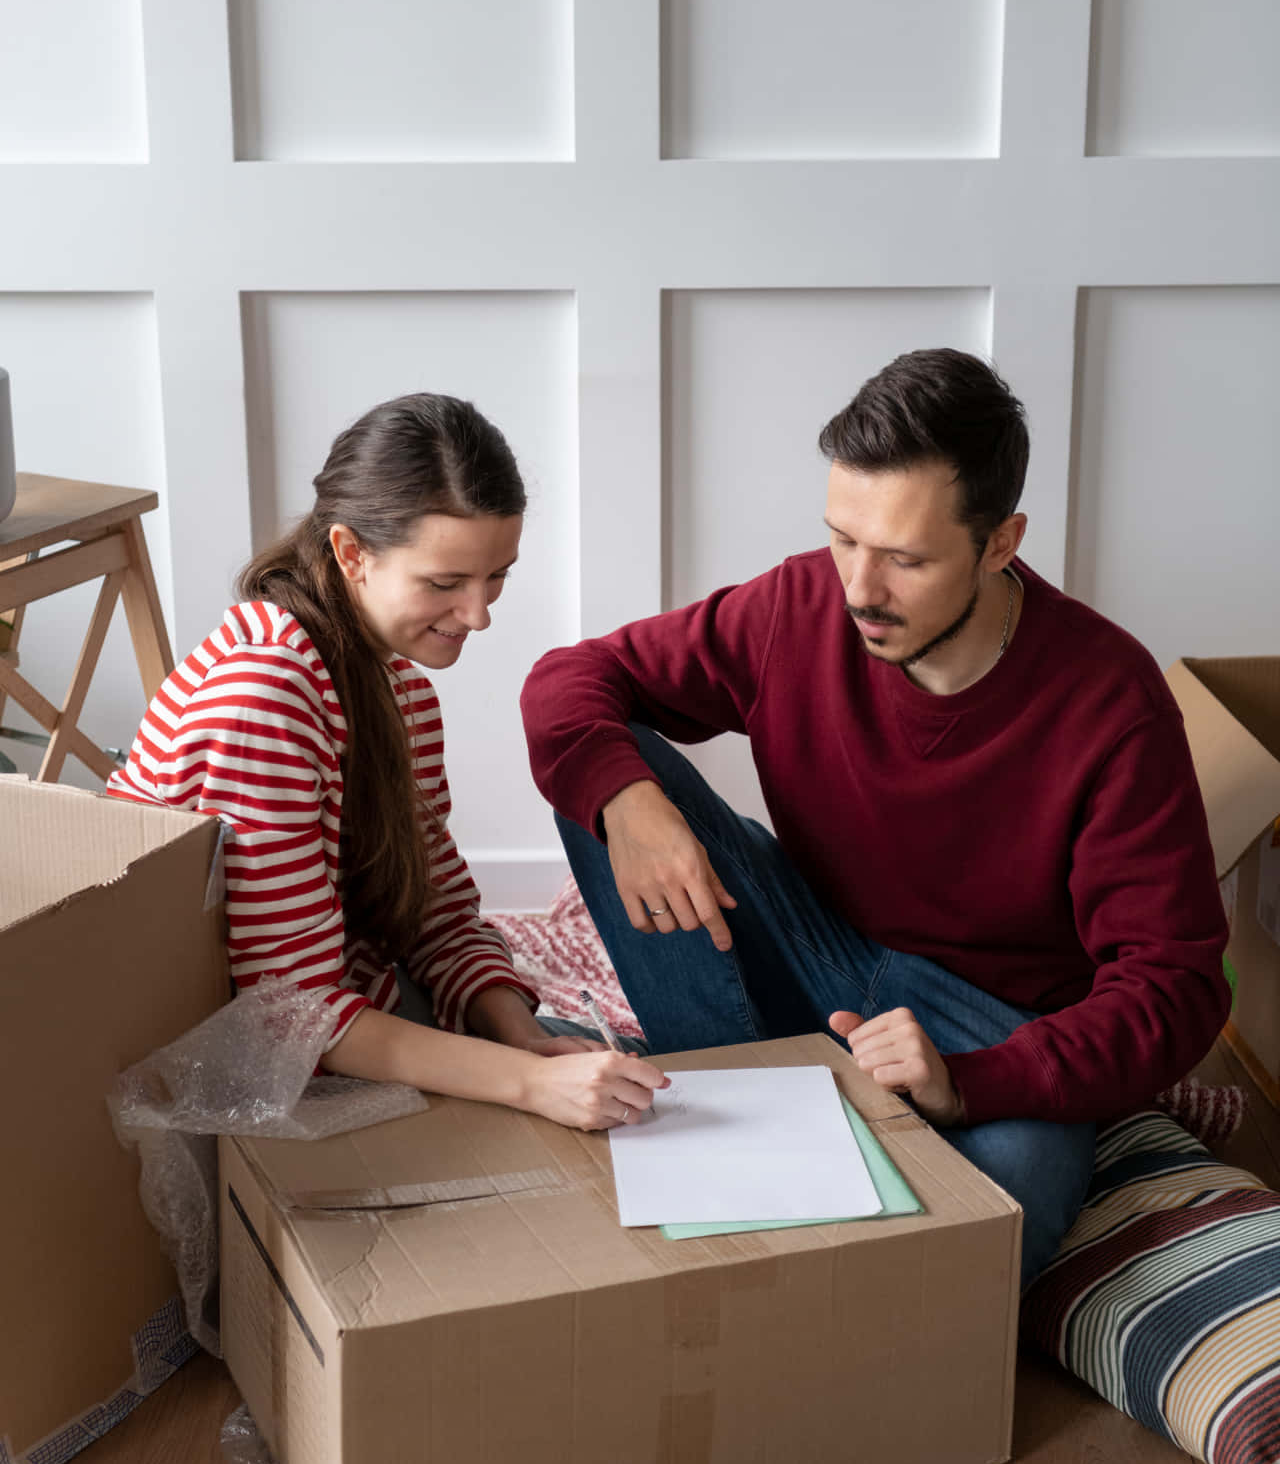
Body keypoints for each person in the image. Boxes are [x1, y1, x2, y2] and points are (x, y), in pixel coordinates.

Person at [520, 348, 1231, 1283]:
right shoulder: (799, 605)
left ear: (1001, 543)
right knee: (613, 769)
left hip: (991, 1021)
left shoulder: (1111, 702)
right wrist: (626, 800)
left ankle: (805, 1184)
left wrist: (971, 1083)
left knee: (1012, 1193)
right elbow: (567, 679)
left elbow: (1175, 987)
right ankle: (743, 1113)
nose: (860, 588)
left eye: (905, 559)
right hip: (820, 947)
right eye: (843, 539)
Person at [107, 393, 667, 1132]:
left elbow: (432, 906)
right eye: (444, 583)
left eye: (496, 575)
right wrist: (527, 1084)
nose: (479, 615)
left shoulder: (398, 689)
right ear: (350, 553)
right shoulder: (262, 699)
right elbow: (288, 1017)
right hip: (231, 1059)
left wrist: (519, 1035)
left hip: (342, 1002)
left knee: (617, 1073)